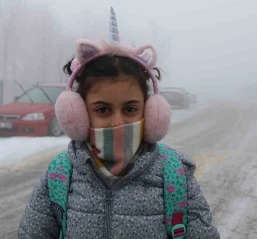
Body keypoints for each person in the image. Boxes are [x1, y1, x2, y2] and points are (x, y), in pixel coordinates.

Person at [18, 39, 220, 238]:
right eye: (102, 110)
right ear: (79, 114)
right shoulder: (60, 174)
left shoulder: (175, 174)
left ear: (150, 112)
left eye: (130, 109)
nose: (117, 122)